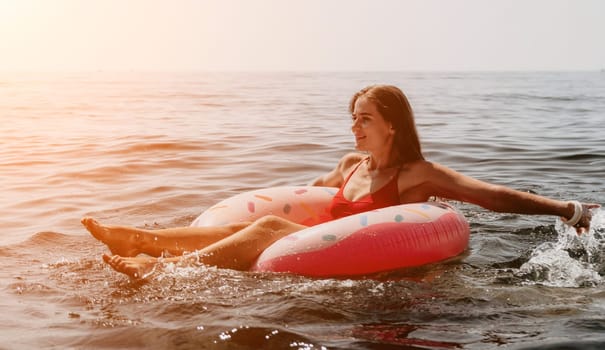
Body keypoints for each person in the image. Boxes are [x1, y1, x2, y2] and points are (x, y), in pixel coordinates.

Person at [82, 85, 600, 279]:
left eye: (365, 118)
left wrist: (566, 209)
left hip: (378, 267)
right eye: (353, 117)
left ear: (392, 124)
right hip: (317, 252)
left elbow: (492, 195)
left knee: (264, 230)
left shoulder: (418, 174)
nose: (355, 126)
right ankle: (138, 239)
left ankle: (160, 267)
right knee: (264, 225)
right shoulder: (350, 165)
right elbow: (304, 207)